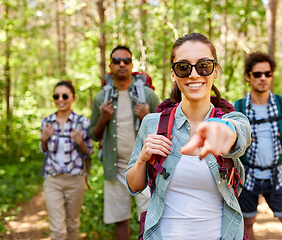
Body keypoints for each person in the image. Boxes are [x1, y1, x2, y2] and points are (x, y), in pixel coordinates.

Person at [125, 32, 252, 240]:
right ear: (173, 74)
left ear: (215, 70)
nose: (194, 74)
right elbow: (134, 185)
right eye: (184, 67)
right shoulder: (153, 123)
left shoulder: (233, 119)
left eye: (204, 65)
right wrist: (142, 159)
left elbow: (240, 136)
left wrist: (225, 131)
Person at [89, 46, 160, 240]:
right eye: (117, 61)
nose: (122, 64)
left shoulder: (148, 96)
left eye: (126, 61)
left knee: (149, 217)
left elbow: (165, 131)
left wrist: (148, 117)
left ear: (131, 65)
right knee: (120, 219)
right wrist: (103, 118)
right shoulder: (101, 98)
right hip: (115, 167)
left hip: (145, 167)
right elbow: (93, 134)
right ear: (110, 66)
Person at [234, 52, 282, 240]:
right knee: (247, 226)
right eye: (257, 74)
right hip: (247, 177)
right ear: (248, 77)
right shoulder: (237, 107)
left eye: (267, 74)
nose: (263, 78)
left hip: (275, 176)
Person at [40, 80, 93, 240]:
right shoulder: (47, 122)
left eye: (65, 95)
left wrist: (80, 142)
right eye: (56, 96)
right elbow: (44, 150)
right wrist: (44, 139)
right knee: (58, 229)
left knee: (72, 224)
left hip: (75, 180)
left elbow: (88, 152)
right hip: (52, 179)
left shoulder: (83, 123)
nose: (60, 99)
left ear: (73, 98)